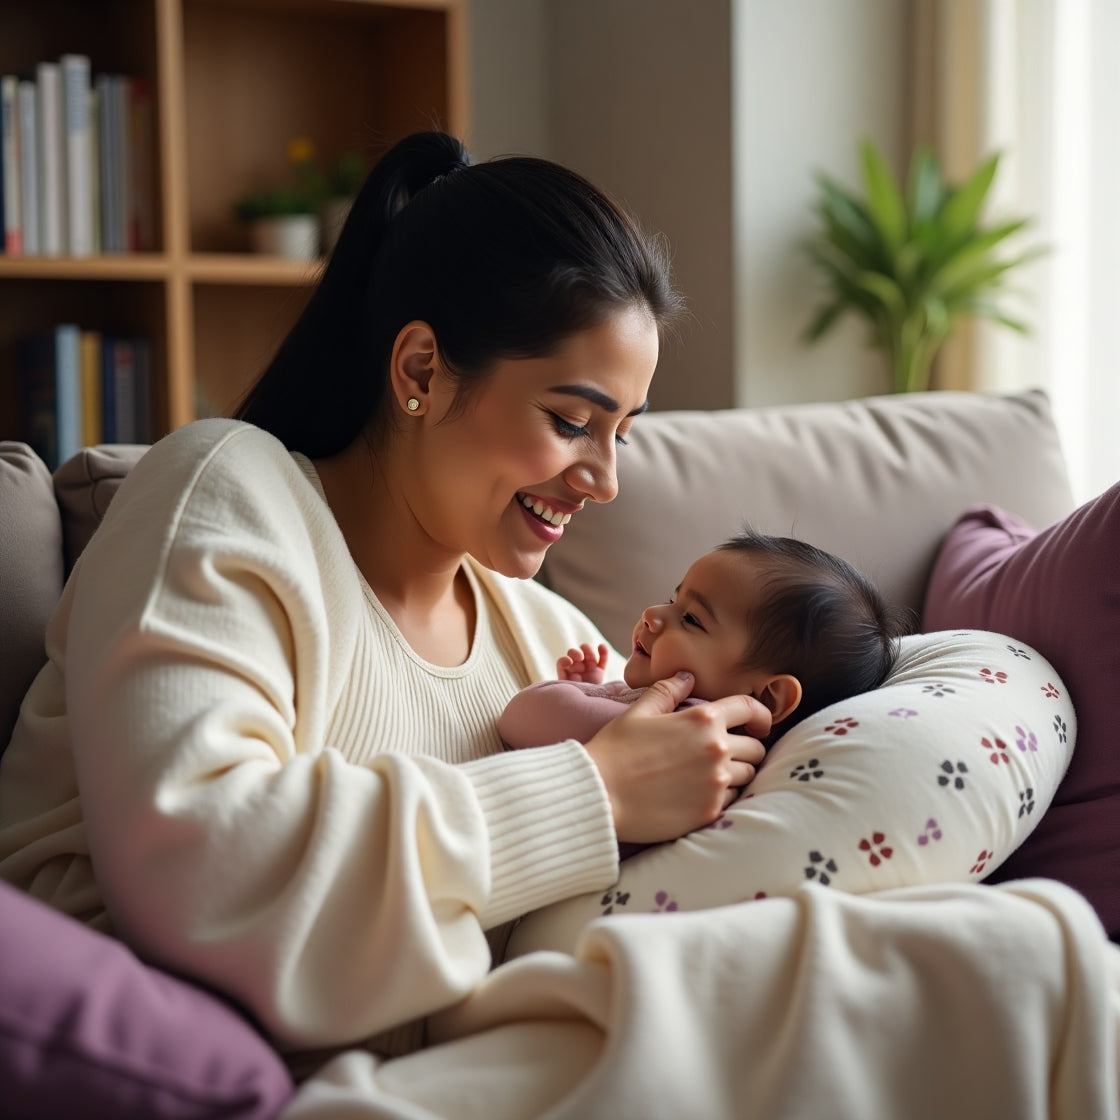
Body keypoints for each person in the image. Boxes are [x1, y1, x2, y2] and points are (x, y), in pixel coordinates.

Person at [0, 131, 770, 1066]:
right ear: (418, 371)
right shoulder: (223, 490)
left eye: (622, 432)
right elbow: (206, 868)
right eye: (571, 422)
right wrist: (594, 794)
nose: (603, 479)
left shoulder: (550, 643)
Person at [499, 531, 904, 813]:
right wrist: (592, 691)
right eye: (672, 600)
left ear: (767, 698)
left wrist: (575, 700)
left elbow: (523, 717)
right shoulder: (706, 744)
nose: (653, 615)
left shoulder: (679, 736)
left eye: (691, 619)